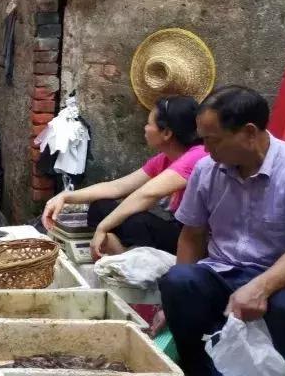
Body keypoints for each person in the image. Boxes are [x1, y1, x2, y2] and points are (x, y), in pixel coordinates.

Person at [158, 86, 285, 376]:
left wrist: (261, 287)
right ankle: (197, 374)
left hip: (279, 279)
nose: (206, 149)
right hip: (220, 272)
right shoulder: (207, 169)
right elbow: (192, 235)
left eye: (213, 140)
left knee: (284, 304)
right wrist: (170, 305)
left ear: (249, 133)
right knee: (178, 282)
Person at [42, 96, 205, 258]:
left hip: (193, 240)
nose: (145, 128)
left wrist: (103, 228)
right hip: (176, 232)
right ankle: (123, 252)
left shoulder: (197, 156)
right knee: (100, 207)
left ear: (167, 133)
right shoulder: (164, 159)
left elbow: (147, 194)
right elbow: (118, 187)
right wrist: (66, 197)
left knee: (138, 222)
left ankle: (124, 254)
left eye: (149, 124)